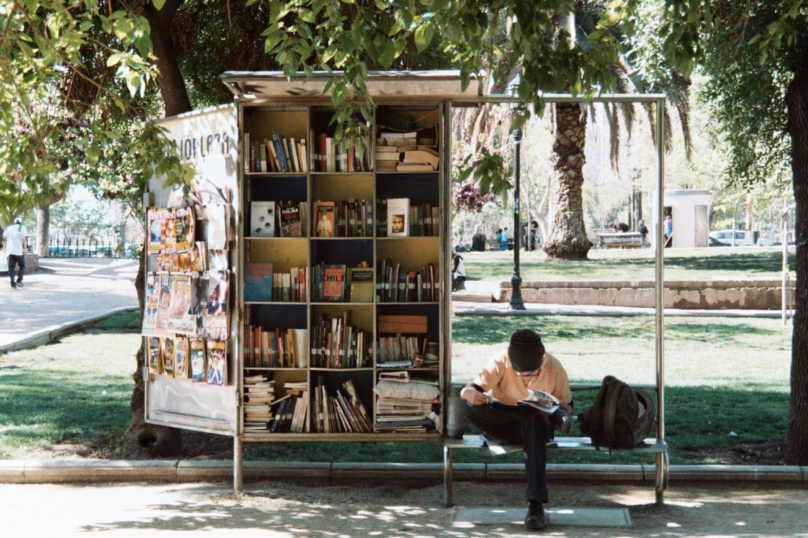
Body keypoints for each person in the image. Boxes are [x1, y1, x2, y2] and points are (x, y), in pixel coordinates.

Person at [461, 329, 573, 530]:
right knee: (468, 407)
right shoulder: (500, 360)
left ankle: (535, 505)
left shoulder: (553, 366)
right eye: (520, 372)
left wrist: (561, 409)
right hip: (505, 424)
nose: (526, 377)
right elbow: (471, 389)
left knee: (533, 418)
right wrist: (469, 394)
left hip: (538, 426)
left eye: (532, 373)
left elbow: (568, 405)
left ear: (542, 359)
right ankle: (527, 417)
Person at [2, 218, 28, 289]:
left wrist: (4, 248)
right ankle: (19, 281)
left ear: (14, 222)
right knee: (22, 265)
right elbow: (24, 238)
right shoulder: (22, 227)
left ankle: (12, 283)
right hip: (19, 251)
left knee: (11, 267)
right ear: (20, 222)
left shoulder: (9, 228)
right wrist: (25, 249)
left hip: (10, 251)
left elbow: (3, 238)